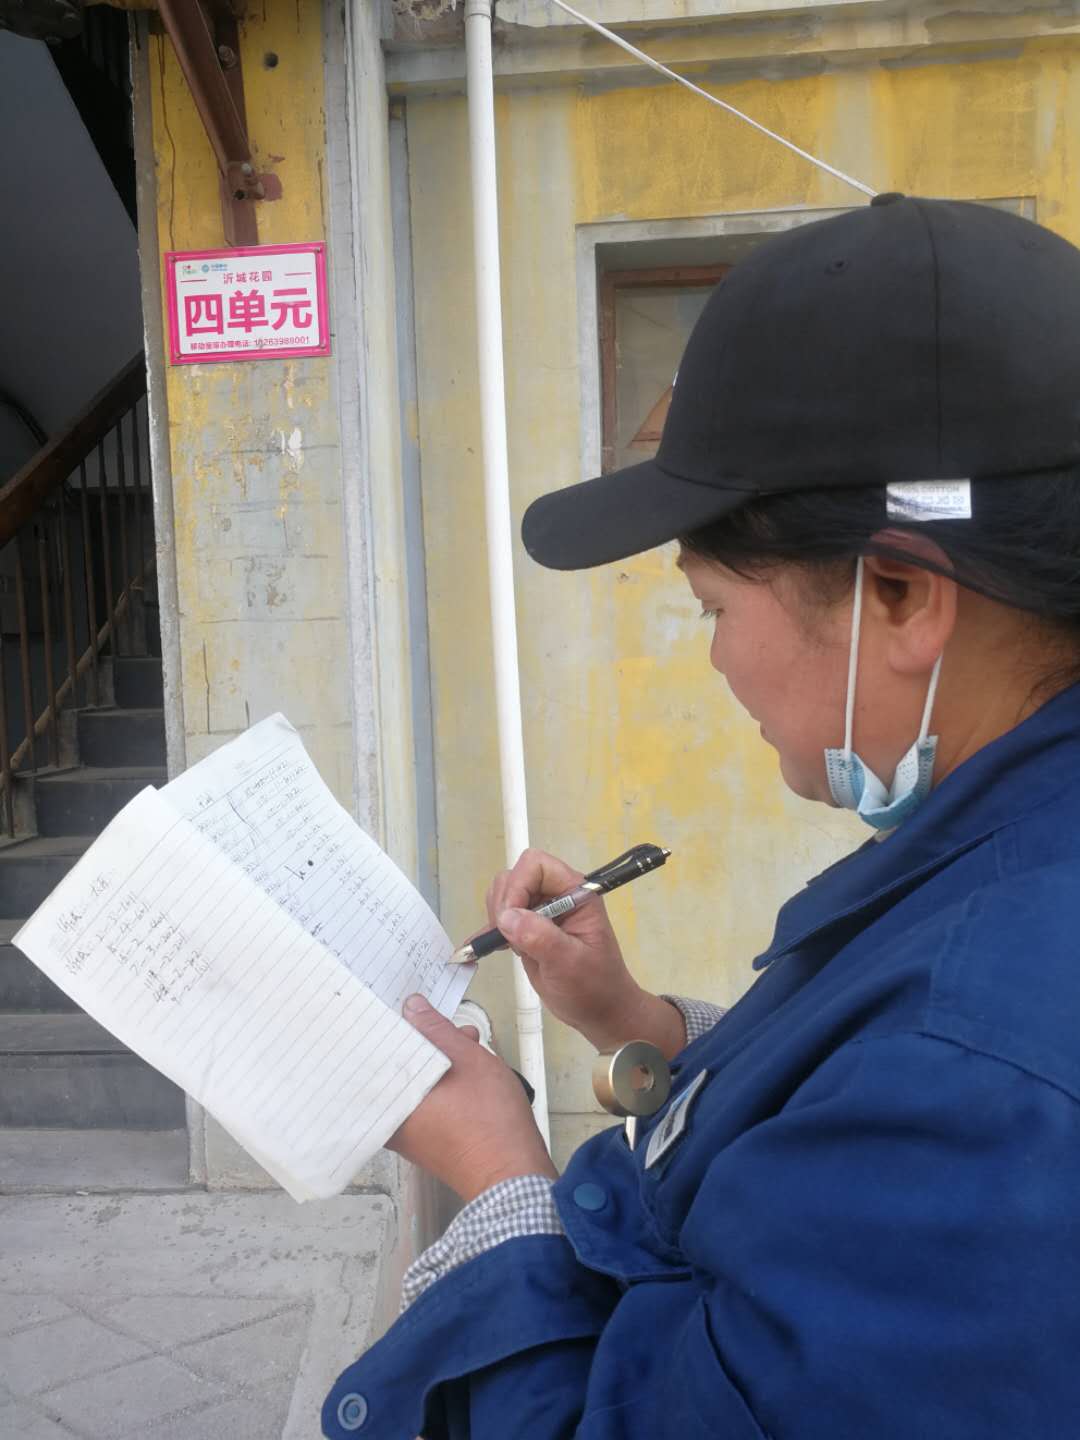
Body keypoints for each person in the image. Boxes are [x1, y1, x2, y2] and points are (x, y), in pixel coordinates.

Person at [323, 195, 1080, 1439]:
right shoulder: (1006, 863)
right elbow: (852, 1107)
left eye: (715, 608)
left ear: (901, 595)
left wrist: (494, 1172)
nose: (717, 660)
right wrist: (640, 1023)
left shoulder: (983, 1082)